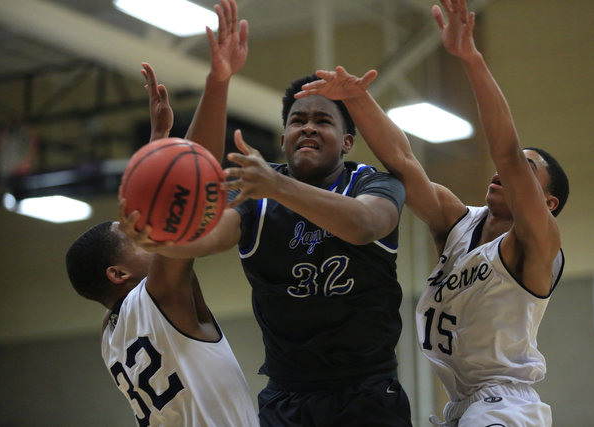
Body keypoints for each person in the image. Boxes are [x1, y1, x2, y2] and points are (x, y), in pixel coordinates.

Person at [294, 0, 569, 425]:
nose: (505, 172)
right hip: (461, 404)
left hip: (506, 404)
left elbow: (508, 153)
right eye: (515, 168)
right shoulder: (457, 223)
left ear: (547, 204)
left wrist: (470, 59)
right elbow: (404, 163)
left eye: (529, 171)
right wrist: (358, 100)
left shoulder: (538, 243)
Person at [123, 31, 413, 427]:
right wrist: (161, 240)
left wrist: (279, 186)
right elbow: (203, 237)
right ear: (283, 139)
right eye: (298, 120)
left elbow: (364, 225)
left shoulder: (374, 184)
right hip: (287, 396)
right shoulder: (254, 194)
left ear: (347, 142)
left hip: (367, 390)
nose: (308, 127)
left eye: (322, 120)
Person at [66, 1, 259, 425]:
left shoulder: (110, 335)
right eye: (133, 237)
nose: (147, 233)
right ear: (118, 274)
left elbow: (170, 204)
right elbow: (188, 190)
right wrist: (218, 80)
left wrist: (158, 142)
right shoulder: (160, 295)